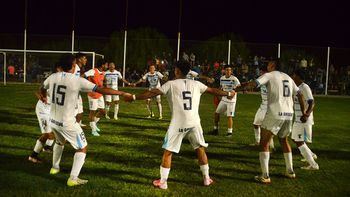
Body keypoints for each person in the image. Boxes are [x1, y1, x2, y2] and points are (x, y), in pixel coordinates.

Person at [125, 61, 235, 189]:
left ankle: (163, 182)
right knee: (200, 148)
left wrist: (133, 97)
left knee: (168, 152)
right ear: (188, 71)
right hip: (194, 123)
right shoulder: (197, 84)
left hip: (178, 123)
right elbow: (213, 90)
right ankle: (206, 178)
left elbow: (152, 93)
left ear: (177, 71)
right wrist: (228, 93)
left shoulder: (171, 84)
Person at [40, 54, 130, 186]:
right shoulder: (76, 80)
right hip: (67, 122)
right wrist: (122, 93)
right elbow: (101, 89)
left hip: (53, 121)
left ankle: (55, 168)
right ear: (72, 66)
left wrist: (44, 97)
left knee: (59, 142)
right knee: (83, 147)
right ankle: (73, 178)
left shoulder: (53, 77)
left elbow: (42, 88)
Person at [242, 60, 307, 184]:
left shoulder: (269, 75)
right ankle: (290, 171)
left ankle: (265, 175)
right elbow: (300, 95)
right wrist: (304, 113)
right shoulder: (288, 78)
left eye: (269, 64)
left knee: (264, 143)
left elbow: (253, 84)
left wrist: (239, 87)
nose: (267, 66)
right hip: (289, 114)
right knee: (283, 140)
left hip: (275, 113)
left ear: (273, 66)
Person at [291, 69, 319, 170]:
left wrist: (306, 115)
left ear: (298, 76)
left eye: (294, 75)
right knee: (295, 139)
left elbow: (312, 103)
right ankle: (311, 154)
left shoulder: (305, 87)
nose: (292, 77)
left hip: (303, 119)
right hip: (298, 118)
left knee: (299, 141)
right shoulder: (297, 88)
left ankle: (313, 164)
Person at [212, 65, 241, 137]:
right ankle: (216, 129)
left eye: (230, 70)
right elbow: (221, 87)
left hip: (231, 101)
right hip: (224, 99)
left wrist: (233, 92)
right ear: (224, 71)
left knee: (229, 116)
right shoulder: (222, 78)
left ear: (231, 71)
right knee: (216, 113)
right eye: (227, 70)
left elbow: (239, 87)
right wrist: (218, 93)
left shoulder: (234, 79)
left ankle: (229, 132)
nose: (228, 71)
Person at [251, 65, 275, 150]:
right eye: (260, 72)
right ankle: (257, 141)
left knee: (268, 127)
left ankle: (271, 146)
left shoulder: (271, 80)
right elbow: (256, 85)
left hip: (270, 106)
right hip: (263, 105)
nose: (261, 74)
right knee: (256, 124)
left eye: (262, 72)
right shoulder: (261, 80)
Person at [28, 90, 55, 163]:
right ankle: (33, 156)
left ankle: (47, 147)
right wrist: (42, 98)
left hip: (51, 111)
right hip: (42, 111)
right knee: (47, 134)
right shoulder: (52, 82)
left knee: (54, 131)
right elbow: (37, 91)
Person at [84, 60, 106, 136]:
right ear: (102, 65)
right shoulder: (92, 71)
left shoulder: (103, 73)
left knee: (103, 111)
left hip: (100, 94)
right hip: (92, 95)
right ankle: (93, 130)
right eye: (106, 65)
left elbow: (101, 82)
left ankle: (93, 124)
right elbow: (83, 76)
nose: (107, 66)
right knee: (92, 112)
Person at [74, 53, 88, 127]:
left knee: (80, 112)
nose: (86, 60)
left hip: (77, 93)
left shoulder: (78, 68)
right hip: (72, 94)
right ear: (79, 59)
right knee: (75, 113)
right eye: (84, 58)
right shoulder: (74, 67)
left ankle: (77, 125)